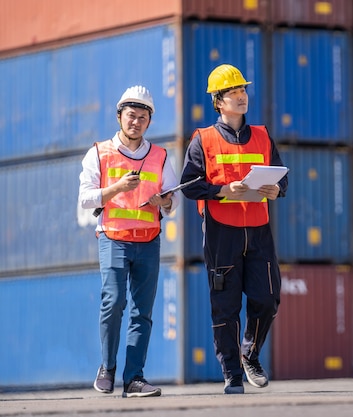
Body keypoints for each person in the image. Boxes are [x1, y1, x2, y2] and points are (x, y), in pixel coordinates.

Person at [180, 64, 288, 394]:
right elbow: (188, 185)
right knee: (225, 307)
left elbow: (282, 179)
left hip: (258, 231)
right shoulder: (203, 140)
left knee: (268, 299)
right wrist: (222, 191)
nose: (241, 97)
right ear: (218, 101)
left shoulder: (263, 135)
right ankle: (233, 374)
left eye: (243, 91)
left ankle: (250, 354)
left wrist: (276, 190)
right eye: (233, 93)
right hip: (221, 233)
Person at [78, 85, 180, 398]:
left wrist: (163, 202)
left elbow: (174, 199)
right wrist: (116, 188)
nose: (136, 121)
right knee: (113, 302)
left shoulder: (161, 156)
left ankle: (134, 378)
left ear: (150, 121)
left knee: (143, 312)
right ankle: (107, 368)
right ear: (120, 116)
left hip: (149, 241)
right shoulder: (99, 153)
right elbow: (85, 200)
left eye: (142, 117)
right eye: (131, 115)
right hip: (113, 238)